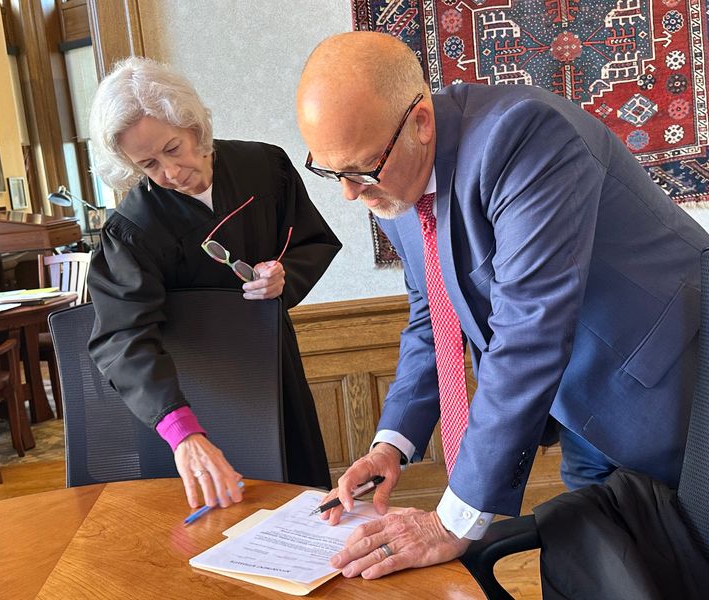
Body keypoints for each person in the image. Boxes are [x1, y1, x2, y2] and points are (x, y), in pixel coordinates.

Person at [295, 31, 709, 579]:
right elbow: (431, 315)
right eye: (332, 173)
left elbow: (530, 325)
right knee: (626, 567)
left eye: (361, 169)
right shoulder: (389, 181)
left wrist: (454, 519)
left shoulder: (524, 134)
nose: (350, 193)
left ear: (420, 121)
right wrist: (390, 445)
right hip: (574, 405)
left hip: (673, 382)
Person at [87, 56, 341, 511]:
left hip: (274, 367)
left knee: (299, 504)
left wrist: (285, 277)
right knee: (218, 521)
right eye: (148, 164)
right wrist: (179, 428)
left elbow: (311, 241)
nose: (171, 172)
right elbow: (123, 340)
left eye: (174, 148)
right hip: (191, 392)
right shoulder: (131, 230)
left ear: (193, 125)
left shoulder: (265, 167)